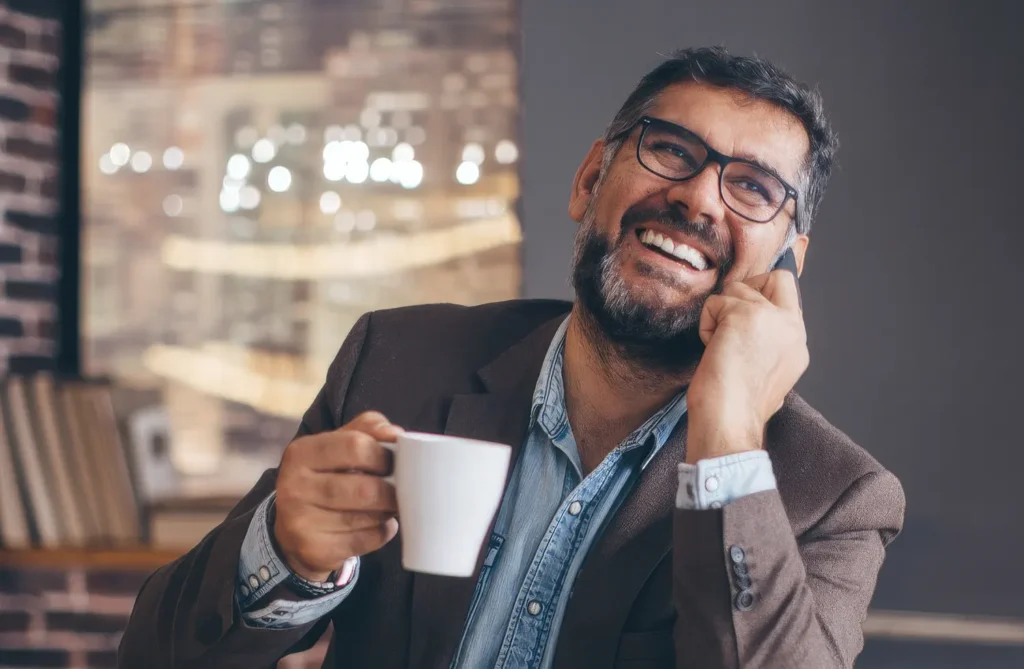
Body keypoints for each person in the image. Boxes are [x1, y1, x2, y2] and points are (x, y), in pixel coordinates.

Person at [119, 46, 905, 669]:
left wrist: (729, 432)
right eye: (670, 150)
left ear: (789, 264)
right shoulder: (396, 362)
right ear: (589, 179)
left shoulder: (833, 497)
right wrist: (282, 555)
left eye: (754, 189)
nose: (699, 198)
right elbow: (154, 653)